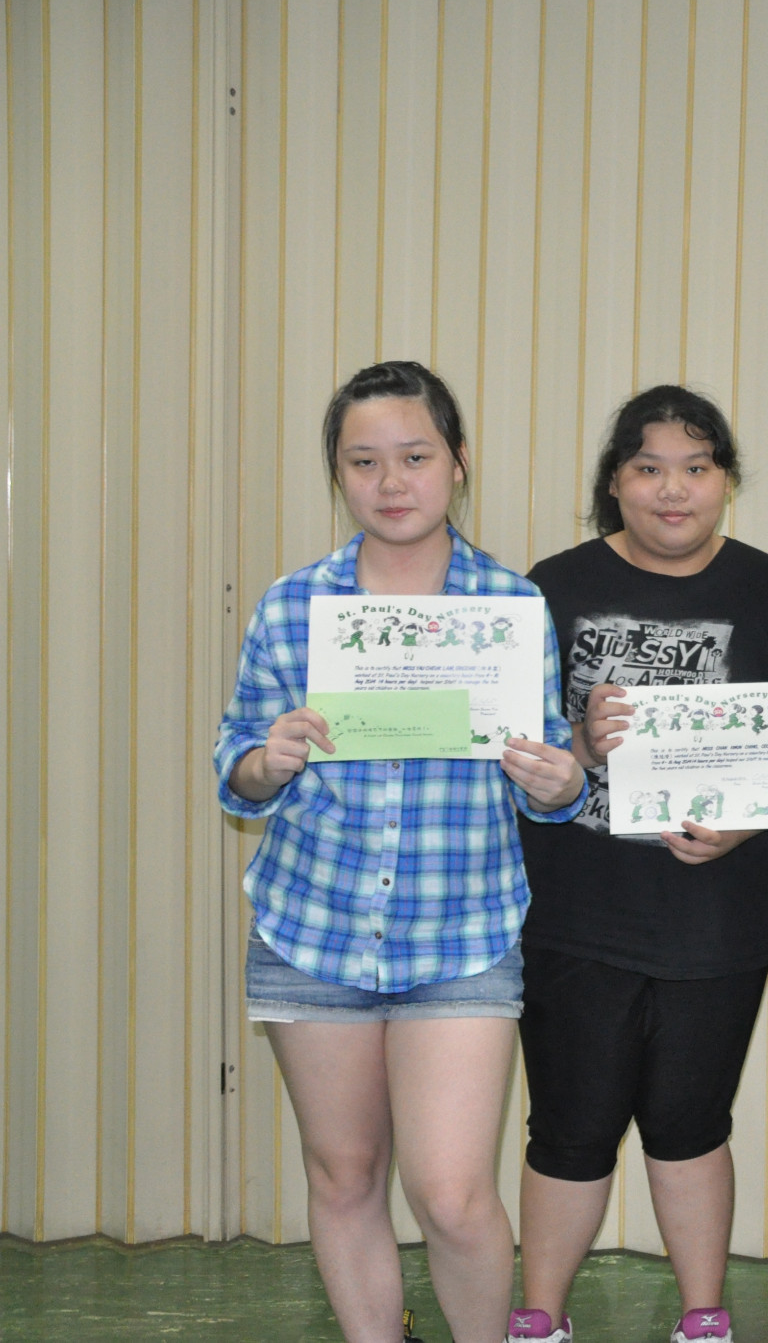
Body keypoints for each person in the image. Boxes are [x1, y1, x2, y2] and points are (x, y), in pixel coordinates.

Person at [215, 361, 585, 1343]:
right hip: (313, 928)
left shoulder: (509, 608)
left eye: (415, 457)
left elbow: (549, 772)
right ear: (338, 473)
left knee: (453, 1193)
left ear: (458, 463)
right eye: (364, 461)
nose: (391, 482)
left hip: (459, 936)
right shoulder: (293, 606)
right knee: (343, 1175)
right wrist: (266, 759)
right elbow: (235, 763)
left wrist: (559, 782)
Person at [507, 388, 768, 1343]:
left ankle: (702, 1317)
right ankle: (539, 1319)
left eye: (695, 467)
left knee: (692, 1123)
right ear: (615, 481)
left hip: (715, 920)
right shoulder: (550, 588)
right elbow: (508, 745)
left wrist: (745, 826)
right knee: (569, 1125)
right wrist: (578, 741)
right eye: (648, 468)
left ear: (726, 481)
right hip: (574, 914)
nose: (672, 489)